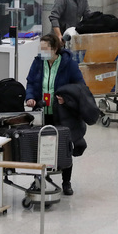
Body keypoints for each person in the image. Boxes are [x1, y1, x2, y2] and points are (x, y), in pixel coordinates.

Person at [25, 34, 85, 195]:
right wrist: (30, 97)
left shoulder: (69, 64)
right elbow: (31, 82)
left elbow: (80, 87)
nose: (42, 52)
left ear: (55, 49)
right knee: (38, 147)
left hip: (62, 113)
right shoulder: (38, 62)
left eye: (45, 49)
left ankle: (66, 181)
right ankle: (38, 179)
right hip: (42, 111)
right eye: (41, 48)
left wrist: (66, 98)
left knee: (64, 146)